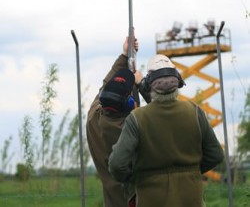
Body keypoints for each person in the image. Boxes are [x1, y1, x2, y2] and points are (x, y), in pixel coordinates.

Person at [109, 54, 224, 207]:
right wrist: (191, 172)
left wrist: (137, 178)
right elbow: (216, 155)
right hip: (192, 200)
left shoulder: (137, 118)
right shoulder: (195, 112)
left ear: (148, 85)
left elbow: (117, 165)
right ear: (178, 81)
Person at [86, 37, 149, 207]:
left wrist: (124, 55)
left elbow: (105, 87)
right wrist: (141, 84)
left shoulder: (94, 116)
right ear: (130, 103)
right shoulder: (135, 128)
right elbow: (163, 110)